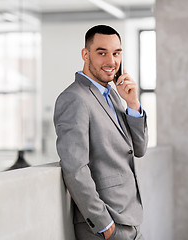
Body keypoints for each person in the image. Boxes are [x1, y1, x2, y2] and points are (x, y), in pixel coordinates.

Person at [53, 25, 148, 240]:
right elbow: (74, 166)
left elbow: (139, 149)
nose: (111, 61)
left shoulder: (114, 96)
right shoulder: (74, 98)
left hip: (130, 216)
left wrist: (132, 103)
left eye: (116, 53)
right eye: (102, 52)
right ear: (85, 55)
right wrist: (103, 223)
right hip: (106, 223)